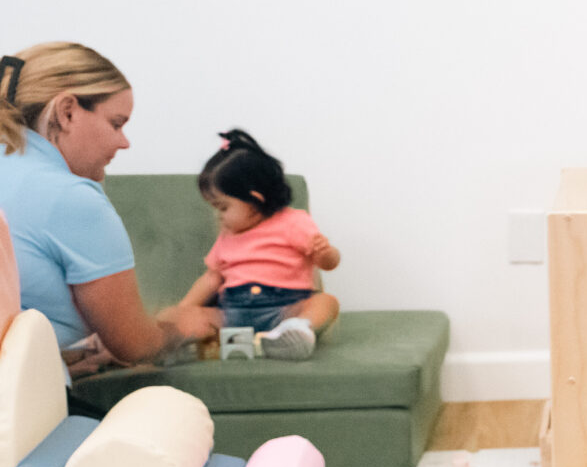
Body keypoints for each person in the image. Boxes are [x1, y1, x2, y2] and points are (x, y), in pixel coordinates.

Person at [0, 42, 185, 374]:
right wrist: (182, 327)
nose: (123, 142)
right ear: (67, 111)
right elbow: (136, 346)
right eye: (116, 123)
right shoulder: (70, 197)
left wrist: (60, 358)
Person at [160, 129, 341, 359]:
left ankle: (297, 331)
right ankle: (191, 340)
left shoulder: (294, 222)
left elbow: (329, 263)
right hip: (231, 315)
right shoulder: (227, 235)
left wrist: (326, 254)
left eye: (223, 207)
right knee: (171, 315)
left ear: (255, 200)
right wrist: (183, 309)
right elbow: (212, 278)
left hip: (285, 312)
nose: (218, 215)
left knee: (326, 302)